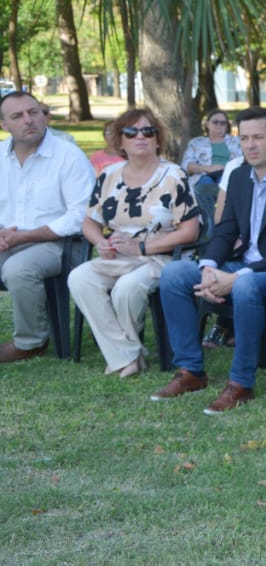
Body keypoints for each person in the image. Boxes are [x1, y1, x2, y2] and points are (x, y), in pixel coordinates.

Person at [151, 107, 266, 415]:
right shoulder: (239, 176)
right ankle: (190, 371)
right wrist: (209, 267)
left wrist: (237, 277)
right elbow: (226, 230)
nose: (250, 145)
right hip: (240, 265)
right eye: (244, 139)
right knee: (175, 273)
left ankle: (241, 384)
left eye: (258, 138)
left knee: (244, 286)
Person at [68, 111, 200, 378]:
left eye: (148, 131)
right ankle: (127, 354)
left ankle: (123, 358)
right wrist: (101, 242)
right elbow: (89, 223)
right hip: (117, 256)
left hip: (161, 256)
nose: (140, 137)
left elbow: (190, 231)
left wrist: (141, 248)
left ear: (158, 140)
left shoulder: (174, 175)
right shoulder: (109, 175)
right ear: (121, 141)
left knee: (127, 289)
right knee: (79, 278)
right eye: (131, 132)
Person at [0, 90, 95, 362]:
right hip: (8, 239)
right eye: (18, 116)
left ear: (44, 116)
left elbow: (81, 215)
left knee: (19, 269)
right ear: (4, 125)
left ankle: (30, 342)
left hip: (60, 243)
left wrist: (25, 236)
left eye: (34, 112)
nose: (29, 120)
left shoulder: (69, 156)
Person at [181, 109, 242, 187]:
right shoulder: (196, 143)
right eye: (215, 122)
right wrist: (208, 168)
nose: (219, 125)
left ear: (227, 126)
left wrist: (226, 169)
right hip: (202, 176)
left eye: (223, 123)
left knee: (224, 180)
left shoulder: (237, 141)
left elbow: (244, 161)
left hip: (228, 175)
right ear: (207, 124)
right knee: (206, 182)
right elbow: (186, 166)